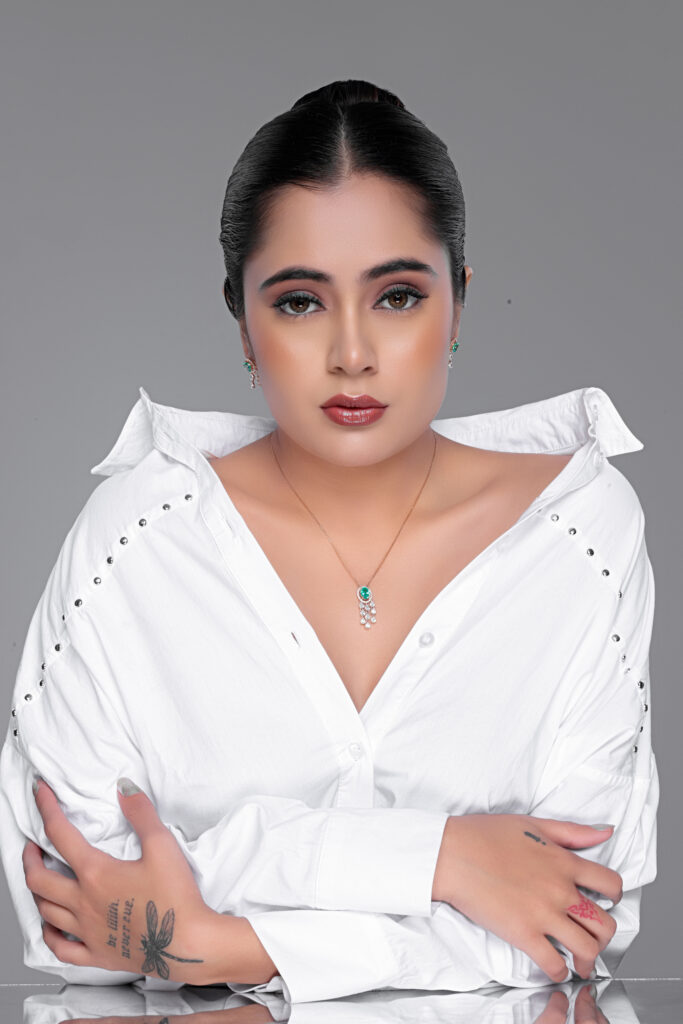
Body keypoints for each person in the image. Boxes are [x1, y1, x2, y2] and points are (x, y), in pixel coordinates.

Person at [0, 79, 658, 1005]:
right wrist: (441, 859)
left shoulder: (580, 535)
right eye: (300, 302)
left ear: (458, 305)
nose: (352, 353)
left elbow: (578, 924)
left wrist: (231, 946)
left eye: (397, 295)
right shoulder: (136, 542)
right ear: (241, 321)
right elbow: (76, 913)